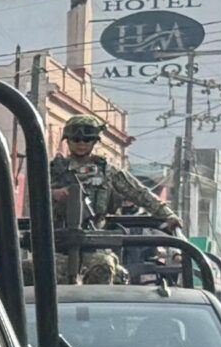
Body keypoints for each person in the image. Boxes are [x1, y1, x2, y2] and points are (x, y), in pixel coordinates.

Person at [48, 114, 176, 283]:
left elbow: (138, 192)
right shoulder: (53, 171)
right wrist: (52, 194)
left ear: (94, 142)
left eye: (87, 140)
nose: (81, 144)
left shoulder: (106, 171)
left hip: (94, 242)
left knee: (104, 267)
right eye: (76, 139)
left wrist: (166, 214)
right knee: (35, 271)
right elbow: (32, 200)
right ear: (68, 140)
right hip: (56, 243)